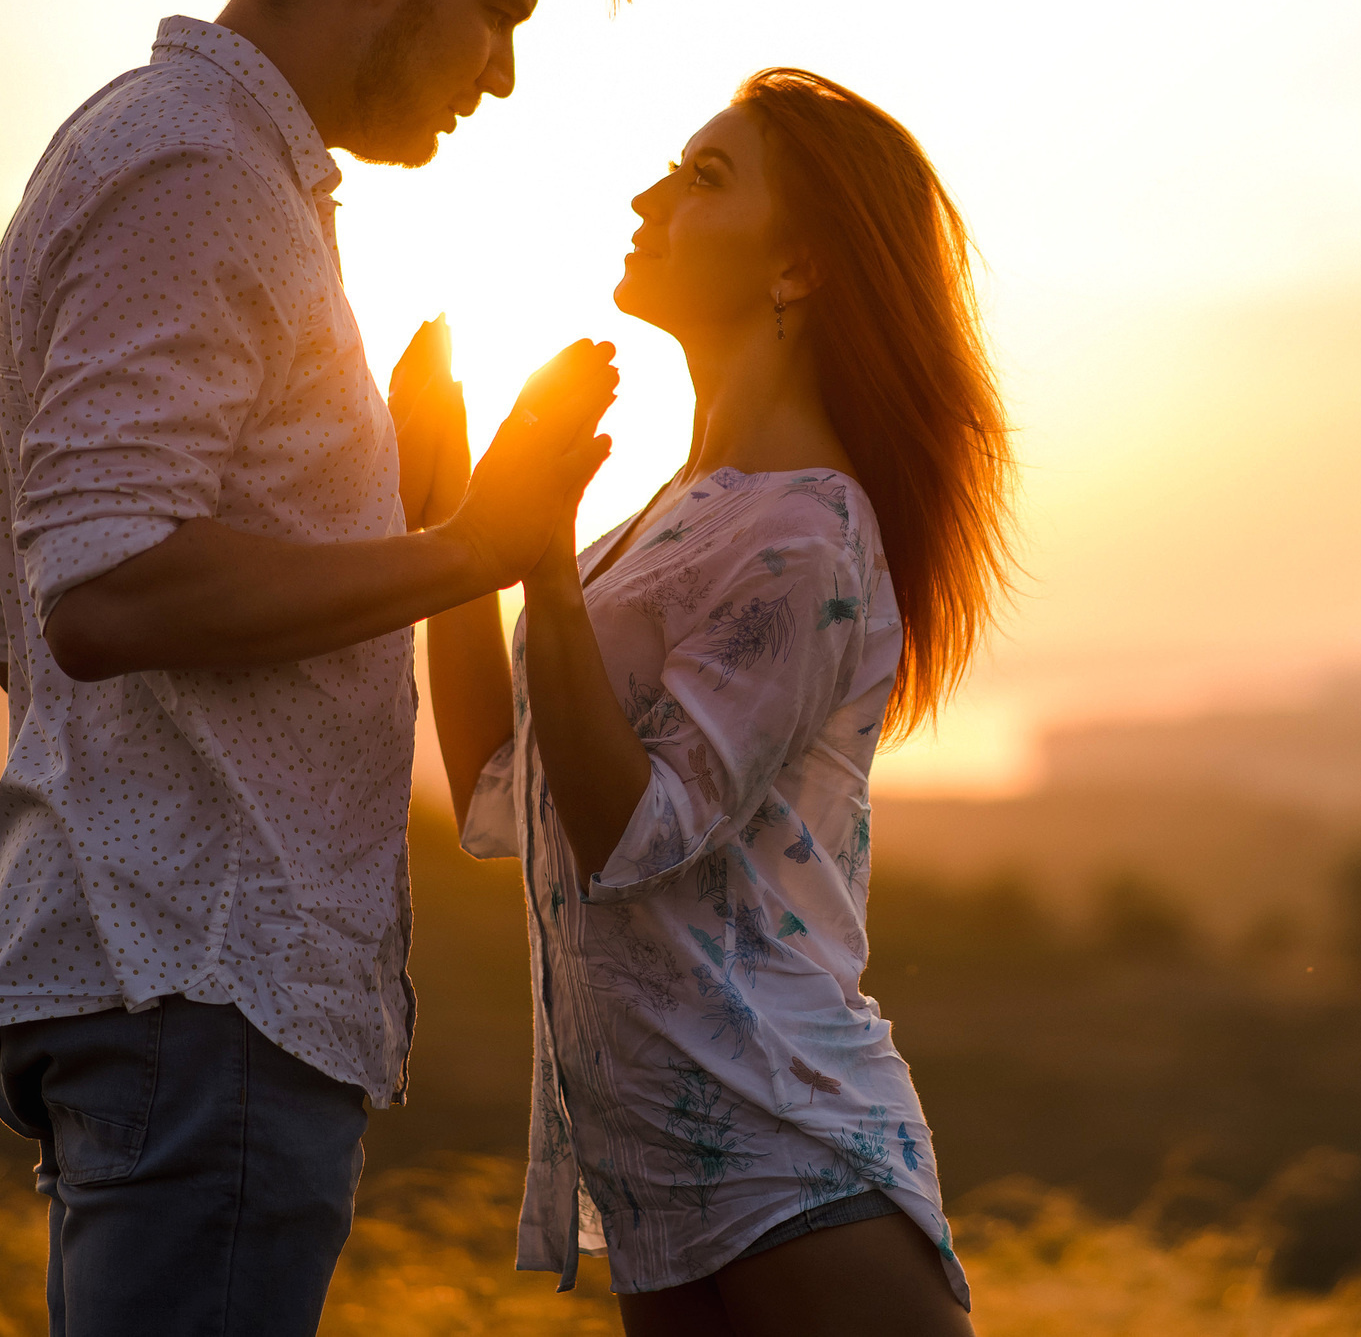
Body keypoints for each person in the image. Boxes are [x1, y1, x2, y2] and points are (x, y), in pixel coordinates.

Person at [0, 0, 627, 1337]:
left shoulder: (180, 158)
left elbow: (21, 589)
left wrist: (397, 487)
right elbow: (102, 588)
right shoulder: (199, 176)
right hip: (203, 992)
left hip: (162, 988)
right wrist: (471, 545)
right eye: (499, 11)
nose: (505, 74)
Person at [406, 68, 1013, 1336]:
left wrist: (535, 545)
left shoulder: (805, 531)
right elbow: (497, 792)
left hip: (789, 1155)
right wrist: (450, 510)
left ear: (798, 270)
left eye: (705, 178)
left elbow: (637, 833)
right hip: (665, 1189)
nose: (650, 196)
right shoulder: (664, 525)